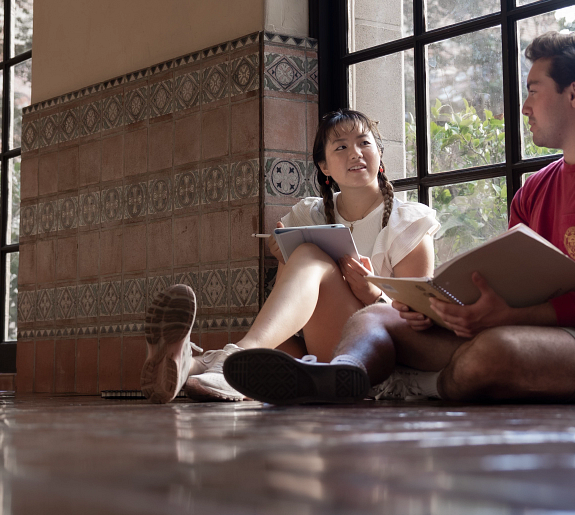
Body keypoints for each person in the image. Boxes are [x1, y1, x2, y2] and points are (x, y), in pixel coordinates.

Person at [221, 32, 575, 405]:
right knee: (376, 319)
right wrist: (441, 307)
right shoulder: (536, 189)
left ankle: (418, 390)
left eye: (534, 91)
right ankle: (340, 377)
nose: (524, 107)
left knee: (496, 351)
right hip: (531, 327)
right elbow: (515, 279)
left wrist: (511, 317)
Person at [140, 109, 440, 403]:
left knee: (308, 253)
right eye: (341, 147)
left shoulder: (409, 222)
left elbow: (418, 325)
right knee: (273, 339)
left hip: (372, 355)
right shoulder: (308, 213)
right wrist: (283, 256)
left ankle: (228, 359)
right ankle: (190, 365)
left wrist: (373, 296)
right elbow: (291, 309)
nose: (355, 153)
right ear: (324, 166)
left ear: (379, 152)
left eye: (364, 143)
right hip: (320, 345)